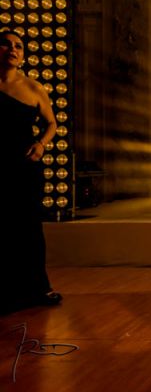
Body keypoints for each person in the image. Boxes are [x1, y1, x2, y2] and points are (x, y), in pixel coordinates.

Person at [0, 30, 62, 313]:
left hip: (24, 164)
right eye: (6, 44)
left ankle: (38, 286)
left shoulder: (34, 88)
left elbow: (51, 124)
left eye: (18, 46)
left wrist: (41, 144)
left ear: (23, 55)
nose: (12, 49)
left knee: (28, 226)